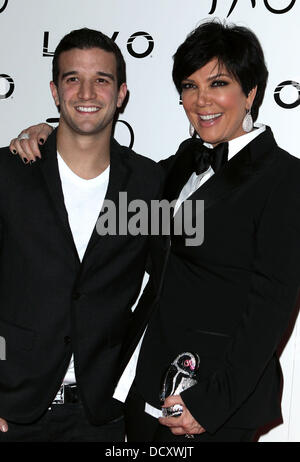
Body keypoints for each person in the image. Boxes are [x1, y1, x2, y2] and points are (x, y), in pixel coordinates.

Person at [9, 20, 300, 443]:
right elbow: (102, 167)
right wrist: (51, 132)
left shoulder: (283, 178)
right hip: (146, 389)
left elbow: (271, 309)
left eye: (218, 83)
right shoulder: (178, 165)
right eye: (189, 85)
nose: (202, 101)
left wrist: (211, 404)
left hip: (213, 402)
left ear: (251, 91)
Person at [0, 27, 162, 442]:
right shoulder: (9, 173)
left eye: (101, 80)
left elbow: (171, 285)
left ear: (121, 93)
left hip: (101, 417)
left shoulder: (148, 182)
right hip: (13, 413)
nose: (86, 92)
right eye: (73, 79)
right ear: (55, 91)